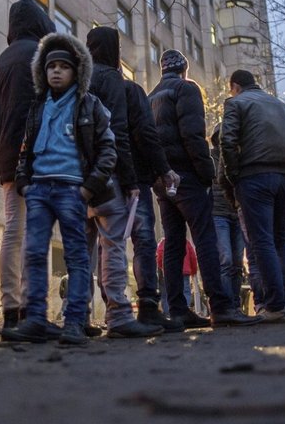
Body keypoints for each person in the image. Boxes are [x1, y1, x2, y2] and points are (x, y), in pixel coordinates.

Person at [4, 33, 117, 346]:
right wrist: (23, 180)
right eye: (50, 66)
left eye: (63, 67)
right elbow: (25, 147)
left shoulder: (89, 105)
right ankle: (36, 319)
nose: (56, 71)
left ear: (76, 72)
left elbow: (108, 149)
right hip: (38, 190)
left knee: (78, 258)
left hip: (72, 191)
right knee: (34, 253)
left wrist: (88, 188)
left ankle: (74, 322)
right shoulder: (38, 107)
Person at [150, 53, 261, 328]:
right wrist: (207, 174)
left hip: (164, 180)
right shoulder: (186, 89)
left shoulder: (150, 96)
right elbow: (193, 135)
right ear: (184, 70)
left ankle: (177, 309)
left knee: (173, 243)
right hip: (188, 176)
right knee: (205, 238)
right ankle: (221, 307)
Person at [220, 69, 285, 323]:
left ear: (235, 86)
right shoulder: (282, 107)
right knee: (282, 239)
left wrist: (233, 176)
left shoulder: (235, 104)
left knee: (262, 242)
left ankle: (275, 305)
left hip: (254, 177)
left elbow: (227, 143)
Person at [84, 27, 161, 338]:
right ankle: (118, 316)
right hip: (106, 175)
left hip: (75, 177)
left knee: (81, 250)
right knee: (113, 245)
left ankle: (77, 317)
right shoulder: (112, 79)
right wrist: (129, 179)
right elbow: (118, 131)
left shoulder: (78, 77)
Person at [0, 0, 55, 337]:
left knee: (13, 230)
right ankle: (35, 310)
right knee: (38, 232)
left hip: (8, 155)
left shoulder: (3, 58)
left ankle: (9, 309)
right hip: (40, 153)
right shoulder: (42, 54)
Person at [123, 78, 182, 331]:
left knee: (106, 243)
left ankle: (110, 310)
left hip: (98, 175)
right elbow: (146, 132)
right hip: (135, 174)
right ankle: (147, 305)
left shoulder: (84, 86)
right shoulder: (130, 90)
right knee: (144, 239)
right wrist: (163, 168)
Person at [210, 126, 247, 312]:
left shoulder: (237, 158)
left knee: (238, 262)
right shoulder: (211, 158)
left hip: (236, 212)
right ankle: (226, 306)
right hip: (218, 213)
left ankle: (235, 304)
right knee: (225, 259)